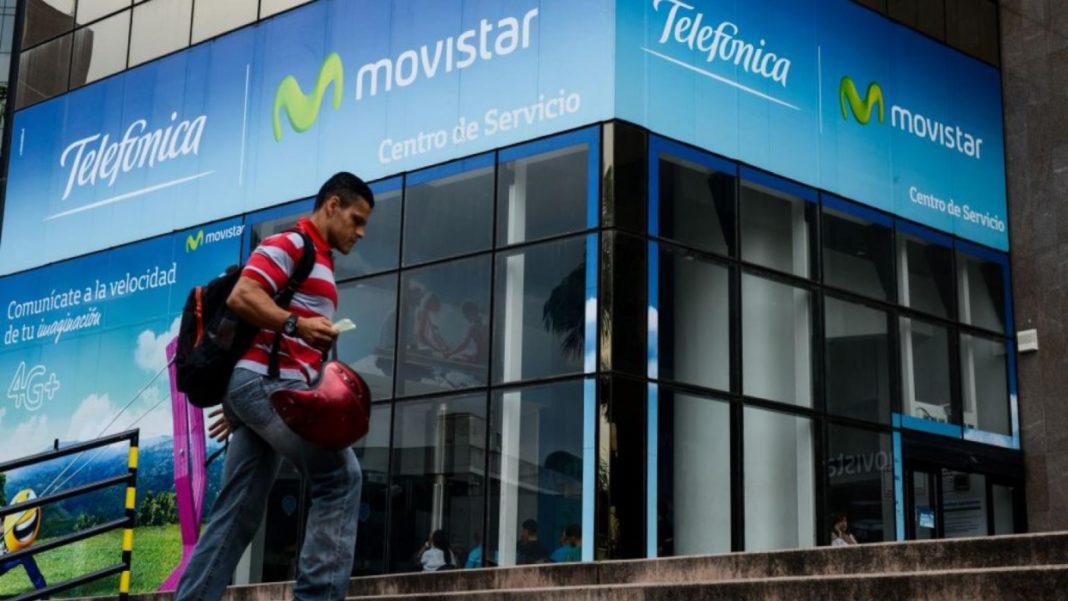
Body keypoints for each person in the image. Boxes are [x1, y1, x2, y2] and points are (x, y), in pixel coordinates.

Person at [173, 172, 374, 601]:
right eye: (356, 220)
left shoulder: (321, 261)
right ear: (333, 205)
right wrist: (297, 325)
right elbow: (243, 295)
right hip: (268, 385)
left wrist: (242, 405)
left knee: (238, 512)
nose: (360, 232)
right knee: (339, 477)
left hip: (264, 390)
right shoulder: (291, 244)